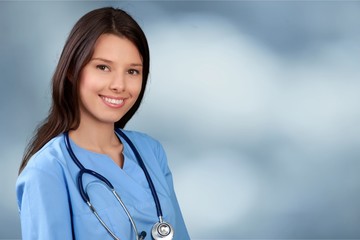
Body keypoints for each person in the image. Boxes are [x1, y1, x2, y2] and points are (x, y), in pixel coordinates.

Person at [16, 7, 190, 240]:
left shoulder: (151, 152)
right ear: (71, 71)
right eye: (103, 67)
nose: (119, 85)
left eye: (132, 71)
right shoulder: (48, 170)